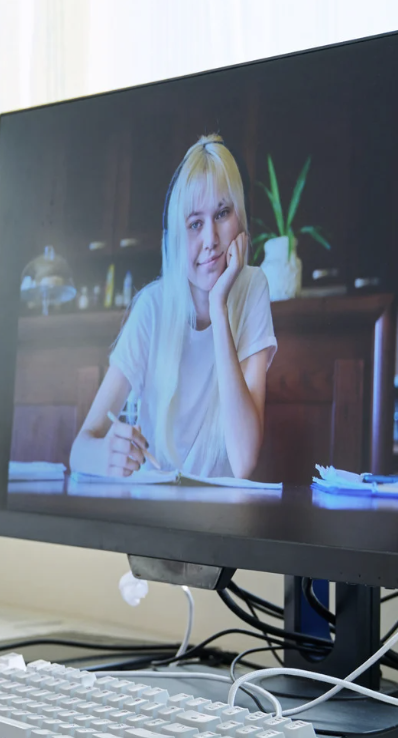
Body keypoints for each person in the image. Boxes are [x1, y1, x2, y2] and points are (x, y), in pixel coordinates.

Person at [68, 134, 276, 480]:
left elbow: (244, 461)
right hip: (157, 512)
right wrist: (105, 454)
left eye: (222, 214)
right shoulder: (152, 307)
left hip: (222, 521)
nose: (210, 239)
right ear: (177, 236)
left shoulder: (253, 287)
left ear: (240, 219)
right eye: (195, 223)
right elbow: (79, 450)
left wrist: (219, 306)